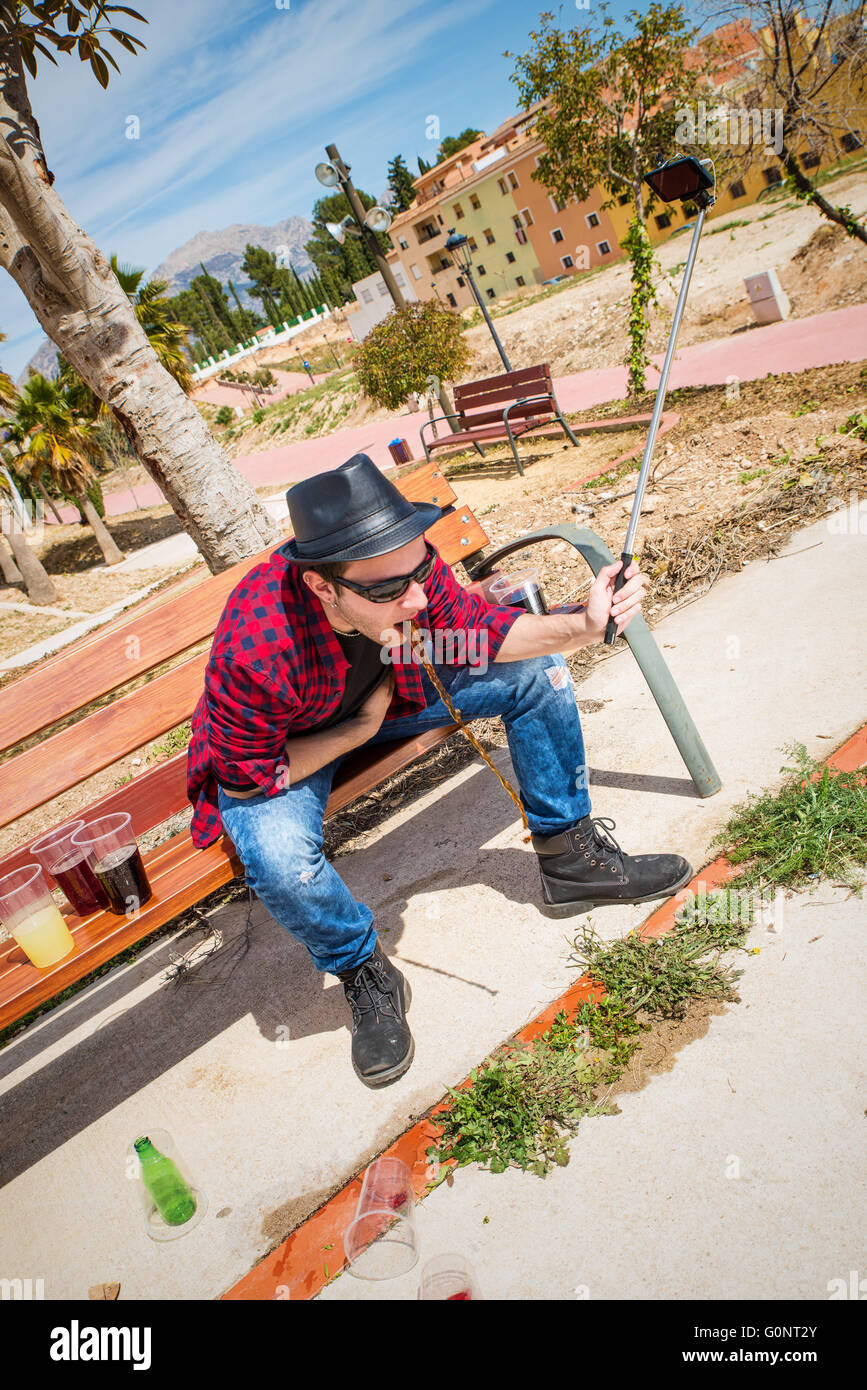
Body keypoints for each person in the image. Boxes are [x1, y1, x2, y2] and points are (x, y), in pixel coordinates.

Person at [186, 454, 692, 1089]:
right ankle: (364, 969)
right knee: (279, 861)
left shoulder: (401, 564)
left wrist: (584, 626)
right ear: (323, 586)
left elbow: (470, 629)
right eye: (389, 591)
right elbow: (246, 776)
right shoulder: (257, 643)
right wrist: (357, 730)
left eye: (420, 572)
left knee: (540, 674)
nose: (418, 596)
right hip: (293, 745)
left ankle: (571, 864)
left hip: (389, 692)